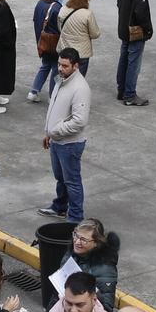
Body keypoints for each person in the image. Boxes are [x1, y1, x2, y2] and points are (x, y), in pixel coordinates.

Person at [39, 48, 90, 224]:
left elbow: (79, 121)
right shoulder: (62, 80)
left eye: (65, 66)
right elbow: (54, 108)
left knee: (72, 181)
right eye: (59, 64)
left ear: (75, 66)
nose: (60, 68)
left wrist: (55, 131)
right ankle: (60, 206)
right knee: (61, 178)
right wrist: (48, 133)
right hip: (57, 140)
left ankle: (75, 217)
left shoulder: (80, 88)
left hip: (70, 144)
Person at [114, 0, 153, 106]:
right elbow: (141, 11)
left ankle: (122, 90)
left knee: (124, 58)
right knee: (133, 63)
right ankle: (130, 95)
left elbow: (119, 4)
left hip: (123, 28)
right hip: (135, 31)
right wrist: (148, 29)